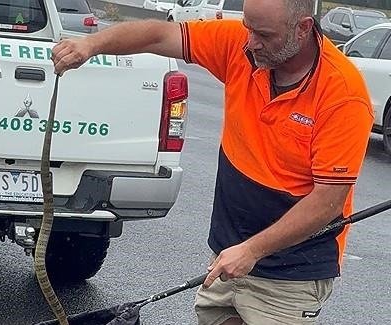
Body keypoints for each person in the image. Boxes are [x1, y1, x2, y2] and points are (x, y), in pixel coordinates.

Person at [52, 0, 374, 324]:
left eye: (263, 34)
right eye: (248, 28)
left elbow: (327, 202)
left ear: (303, 28)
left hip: (290, 275)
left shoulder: (342, 94)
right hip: (228, 257)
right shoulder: (240, 45)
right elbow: (157, 36)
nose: (251, 42)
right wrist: (90, 45)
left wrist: (252, 251)